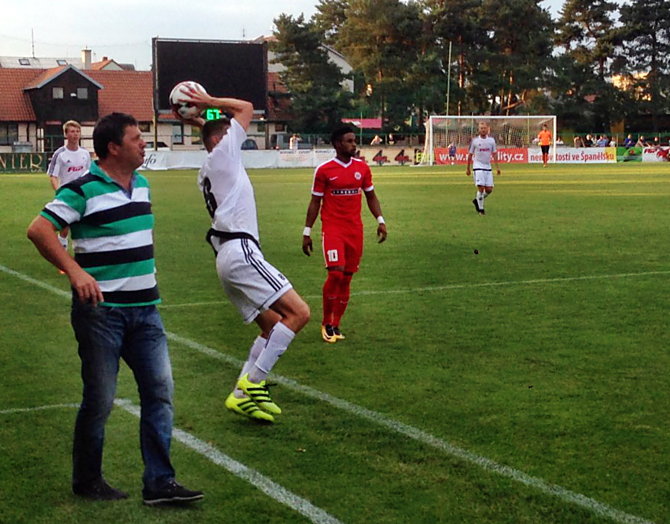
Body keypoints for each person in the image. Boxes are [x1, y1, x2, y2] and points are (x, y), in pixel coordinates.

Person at [26, 113, 203, 505]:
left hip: (147, 311)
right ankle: (87, 481)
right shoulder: (82, 189)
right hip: (101, 313)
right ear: (113, 148)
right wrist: (74, 271)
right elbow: (39, 229)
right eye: (137, 139)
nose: (144, 144)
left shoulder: (142, 185)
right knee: (101, 399)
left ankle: (160, 482)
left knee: (160, 393)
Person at [172, 87, 310, 424]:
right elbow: (246, 106)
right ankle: (254, 381)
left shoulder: (209, 166)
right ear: (223, 141)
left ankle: (239, 397)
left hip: (226, 259)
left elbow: (214, 130)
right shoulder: (224, 155)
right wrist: (209, 102)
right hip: (241, 250)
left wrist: (199, 116)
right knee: (299, 313)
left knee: (272, 325)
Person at [302, 125, 387, 344]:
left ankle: (336, 324)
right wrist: (307, 232)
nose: (354, 144)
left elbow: (371, 196)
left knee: (347, 278)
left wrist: (380, 220)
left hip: (354, 230)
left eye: (354, 140)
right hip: (332, 229)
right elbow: (315, 202)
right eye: (349, 141)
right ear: (337, 144)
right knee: (336, 274)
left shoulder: (362, 168)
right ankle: (326, 322)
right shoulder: (324, 170)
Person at [47, 120, 91, 252]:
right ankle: (63, 251)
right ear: (66, 134)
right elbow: (53, 176)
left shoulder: (85, 153)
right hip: (67, 195)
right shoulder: (60, 154)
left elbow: (89, 173)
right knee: (64, 227)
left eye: (77, 131)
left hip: (83, 194)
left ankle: (83, 254)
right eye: (72, 131)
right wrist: (60, 192)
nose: (75, 134)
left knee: (83, 226)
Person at [467, 121, 501, 216]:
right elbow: (470, 155)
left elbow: (494, 154)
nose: (483, 130)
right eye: (481, 128)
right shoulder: (475, 141)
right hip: (478, 167)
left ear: (487, 129)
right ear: (478, 130)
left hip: (488, 167)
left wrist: (497, 167)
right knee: (481, 188)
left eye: (484, 128)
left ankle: (477, 199)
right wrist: (468, 168)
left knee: (489, 189)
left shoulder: (491, 141)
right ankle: (481, 210)